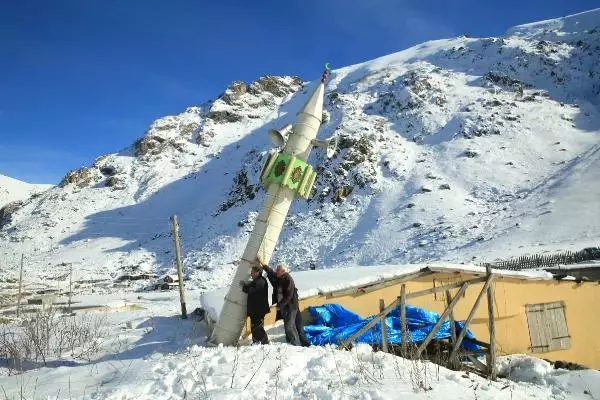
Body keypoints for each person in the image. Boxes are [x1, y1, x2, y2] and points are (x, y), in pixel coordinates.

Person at [256, 259, 310, 347]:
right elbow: (271, 273)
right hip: (286, 307)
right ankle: (292, 343)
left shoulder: (287, 279)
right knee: (289, 326)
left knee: (290, 326)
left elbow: (289, 295)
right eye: (276, 270)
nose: (276, 271)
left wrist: (279, 305)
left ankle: (296, 345)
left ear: (283, 271)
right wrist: (264, 265)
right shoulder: (280, 277)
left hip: (291, 307)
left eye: (278, 270)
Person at [239, 265, 270, 344]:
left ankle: (264, 342)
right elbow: (252, 286)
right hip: (257, 309)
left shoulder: (260, 282)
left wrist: (243, 286)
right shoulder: (259, 280)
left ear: (258, 273)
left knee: (257, 327)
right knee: (255, 327)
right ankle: (256, 341)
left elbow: (251, 290)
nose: (251, 274)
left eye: (253, 272)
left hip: (258, 310)